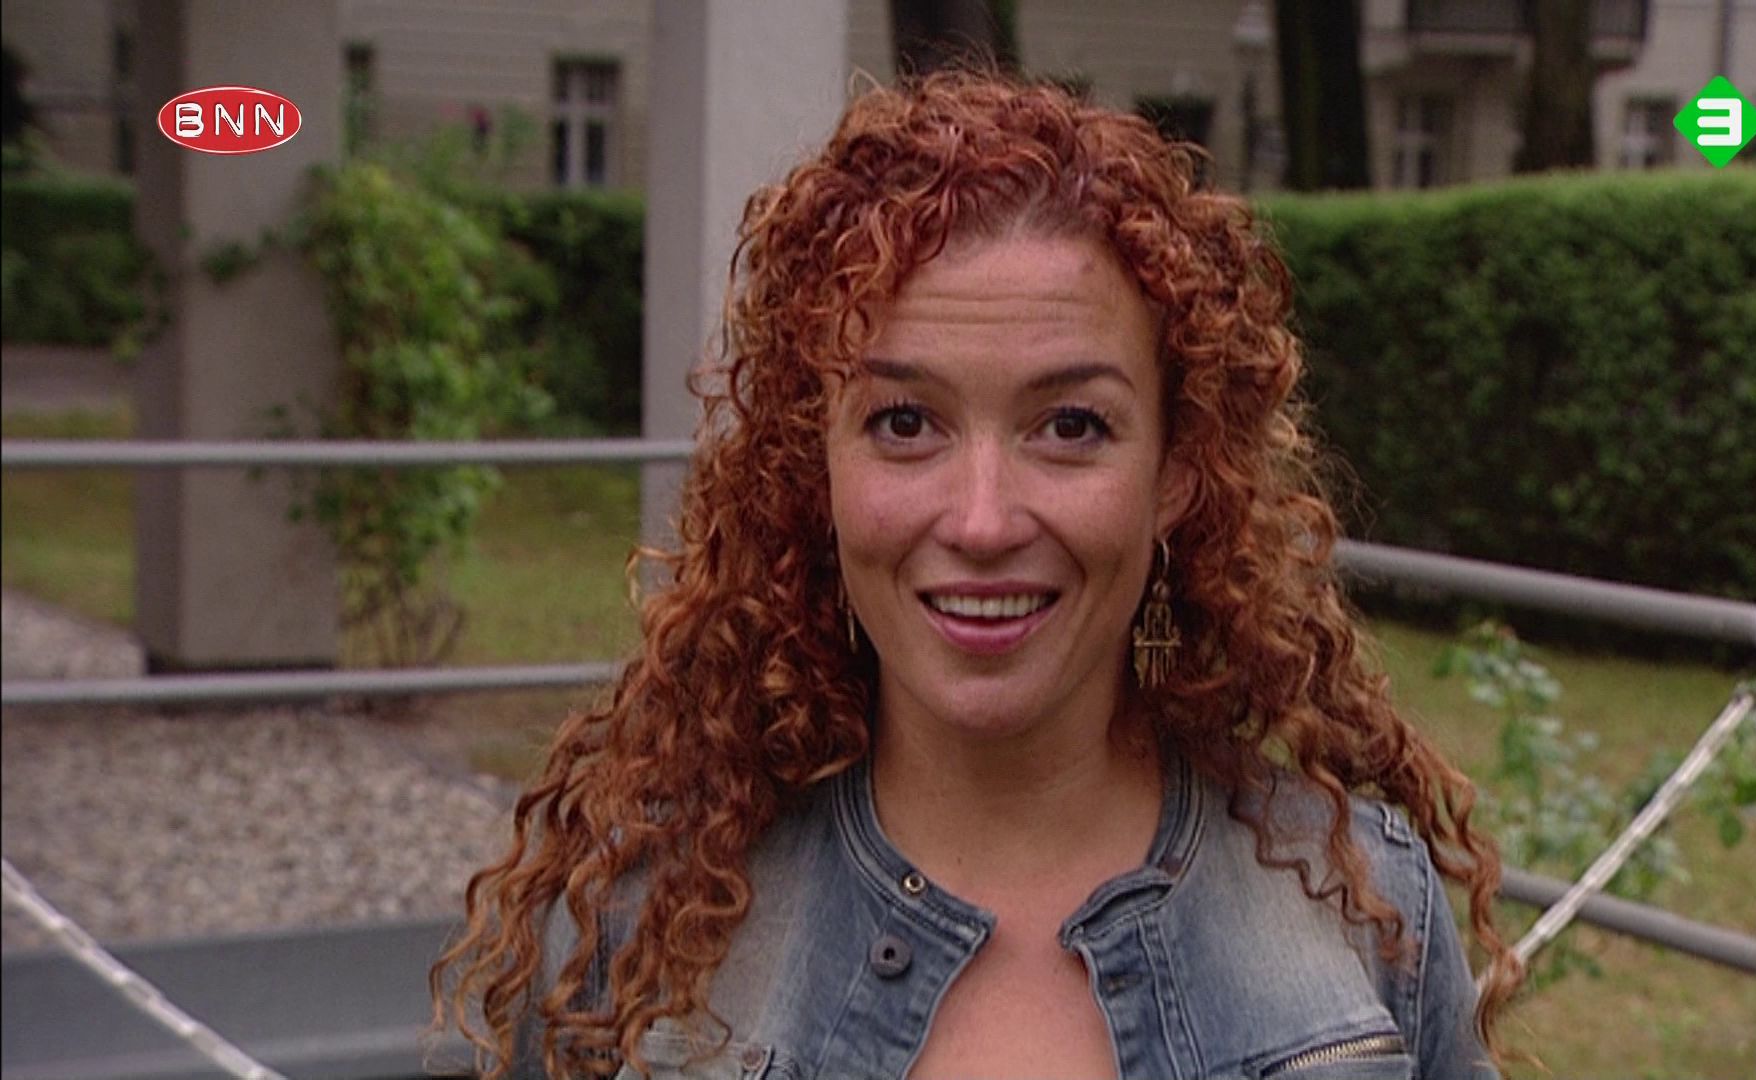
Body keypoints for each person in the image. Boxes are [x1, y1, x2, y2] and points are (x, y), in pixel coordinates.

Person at [433, 70, 1518, 1080]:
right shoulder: (633, 930)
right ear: (817, 464)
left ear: (1177, 472)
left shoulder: (1366, 923)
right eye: (905, 422)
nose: (984, 520)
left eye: (1071, 425)